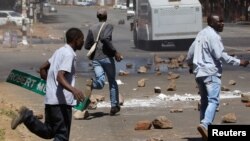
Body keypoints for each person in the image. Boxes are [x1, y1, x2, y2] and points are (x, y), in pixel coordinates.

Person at [11, 28, 85, 141]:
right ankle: (27, 116)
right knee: (62, 135)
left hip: (51, 100)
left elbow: (42, 68)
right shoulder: (69, 54)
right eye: (81, 39)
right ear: (75, 40)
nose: (83, 42)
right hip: (61, 102)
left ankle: (27, 117)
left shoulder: (59, 51)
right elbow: (60, 76)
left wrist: (51, 83)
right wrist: (74, 90)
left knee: (49, 131)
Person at [186, 14, 249, 141]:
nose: (222, 23)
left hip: (199, 73)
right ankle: (205, 125)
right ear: (211, 23)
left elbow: (190, 53)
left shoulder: (201, 34)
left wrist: (191, 65)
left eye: (222, 21)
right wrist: (238, 62)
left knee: (204, 102)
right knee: (213, 100)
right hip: (211, 72)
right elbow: (220, 55)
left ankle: (205, 130)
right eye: (219, 21)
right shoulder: (213, 36)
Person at [84, 8, 123, 116]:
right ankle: (114, 106)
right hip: (107, 58)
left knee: (100, 82)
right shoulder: (108, 26)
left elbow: (87, 45)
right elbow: (106, 39)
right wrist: (115, 52)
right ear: (106, 17)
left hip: (96, 59)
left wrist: (95, 44)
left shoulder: (91, 28)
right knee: (112, 81)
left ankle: (93, 84)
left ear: (97, 17)